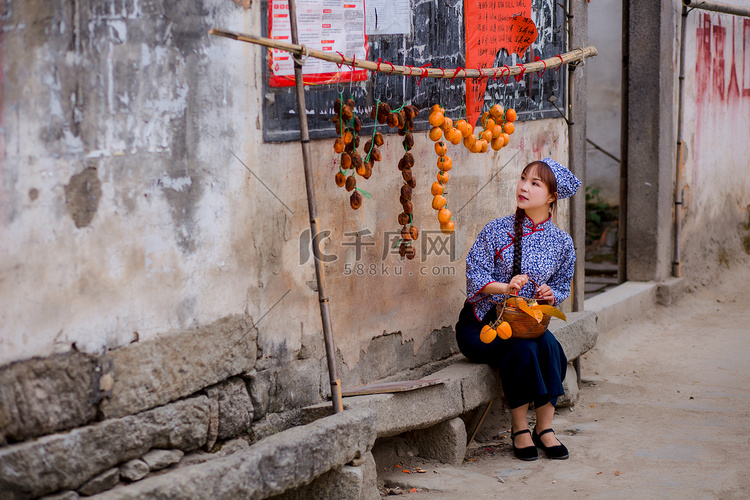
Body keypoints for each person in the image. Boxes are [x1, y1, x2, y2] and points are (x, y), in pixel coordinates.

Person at [455, 157, 581, 461]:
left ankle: (545, 428)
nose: (523, 187)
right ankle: (520, 427)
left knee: (551, 348)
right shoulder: (496, 231)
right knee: (522, 351)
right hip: (484, 325)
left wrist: (551, 295)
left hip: (528, 324)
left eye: (534, 183)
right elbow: (475, 275)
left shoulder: (562, 242)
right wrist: (506, 288)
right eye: (523, 178)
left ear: (552, 196)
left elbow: (563, 285)